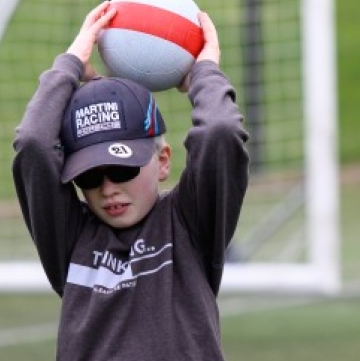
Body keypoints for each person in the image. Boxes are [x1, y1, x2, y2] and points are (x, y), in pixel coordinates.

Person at [12, 1, 249, 360]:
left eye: (123, 169)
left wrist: (204, 73)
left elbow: (220, 131)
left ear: (163, 161)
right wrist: (70, 64)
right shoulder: (70, 238)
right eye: (89, 176)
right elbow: (33, 144)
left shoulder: (190, 224)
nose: (108, 189)